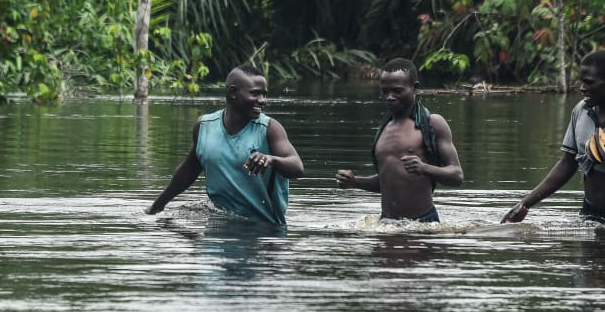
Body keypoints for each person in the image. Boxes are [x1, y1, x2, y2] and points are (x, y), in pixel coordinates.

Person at [501, 50, 605, 227]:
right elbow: (568, 163)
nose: (582, 88)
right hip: (590, 214)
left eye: (588, 82)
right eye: (581, 81)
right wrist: (525, 204)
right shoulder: (581, 110)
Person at [146, 64, 304, 225]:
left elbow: (297, 168)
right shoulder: (204, 126)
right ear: (233, 92)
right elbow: (188, 171)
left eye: (264, 94)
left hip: (264, 229)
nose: (262, 101)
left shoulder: (270, 129)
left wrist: (271, 160)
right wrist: (156, 206)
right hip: (219, 225)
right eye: (255, 94)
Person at [334, 58, 463, 222]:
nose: (390, 97)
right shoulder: (384, 128)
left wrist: (424, 168)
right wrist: (354, 182)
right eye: (385, 91)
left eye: (397, 91)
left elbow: (457, 175)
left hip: (422, 224)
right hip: (386, 222)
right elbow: (387, 181)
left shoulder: (432, 123)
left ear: (414, 88)